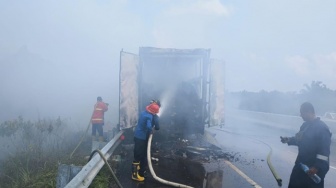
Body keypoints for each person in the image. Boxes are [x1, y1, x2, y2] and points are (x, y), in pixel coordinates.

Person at [280, 102, 332, 188]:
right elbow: (299, 139)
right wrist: (288, 140)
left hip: (312, 171)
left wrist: (317, 167)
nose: (301, 115)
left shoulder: (322, 128)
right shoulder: (305, 126)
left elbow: (324, 152)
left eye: (302, 113)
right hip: (301, 167)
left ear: (309, 112)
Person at [132, 100, 161, 182]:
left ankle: (141, 171)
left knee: (141, 155)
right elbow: (149, 126)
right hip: (141, 138)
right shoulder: (149, 116)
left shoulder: (143, 113)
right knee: (138, 156)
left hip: (139, 136)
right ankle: (135, 175)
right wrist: (151, 130)